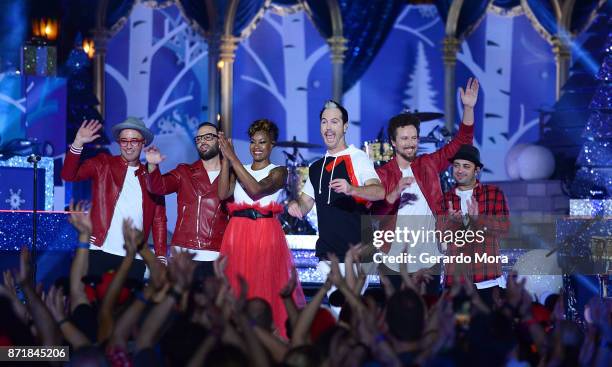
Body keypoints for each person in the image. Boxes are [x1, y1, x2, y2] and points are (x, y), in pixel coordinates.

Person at [371, 78, 480, 294]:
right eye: (404, 138)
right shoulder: (381, 174)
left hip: (429, 258)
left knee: (429, 319)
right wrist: (392, 196)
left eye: (414, 137)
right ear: (393, 142)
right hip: (394, 261)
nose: (410, 143)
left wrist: (468, 108)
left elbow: (462, 142)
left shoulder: (428, 164)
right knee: (398, 318)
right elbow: (374, 214)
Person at [287, 100, 385, 297]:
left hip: (355, 253)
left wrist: (352, 189)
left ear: (345, 126)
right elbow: (306, 203)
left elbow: (379, 192)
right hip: (327, 255)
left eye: (334, 122)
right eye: (324, 122)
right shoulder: (316, 167)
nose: (328, 127)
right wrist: (293, 205)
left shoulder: (358, 158)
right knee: (337, 315)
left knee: (351, 315)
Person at [217, 119, 305, 337]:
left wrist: (233, 157)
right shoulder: (240, 168)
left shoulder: (279, 171)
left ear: (272, 144)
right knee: (236, 290)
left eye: (262, 142)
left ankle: (268, 343)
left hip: (265, 233)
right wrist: (227, 160)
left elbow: (256, 190)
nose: (256, 146)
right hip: (237, 234)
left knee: (265, 291)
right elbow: (221, 194)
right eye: (253, 141)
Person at [61, 118, 167, 279]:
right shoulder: (104, 164)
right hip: (99, 250)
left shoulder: (152, 178)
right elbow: (68, 175)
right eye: (124, 141)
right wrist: (78, 143)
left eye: (134, 140)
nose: (129, 145)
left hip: (135, 256)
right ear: (118, 142)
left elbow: (159, 219)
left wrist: (160, 256)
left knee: (129, 304)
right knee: (97, 303)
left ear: (143, 142)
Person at [144, 122, 229, 278]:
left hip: (217, 253)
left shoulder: (232, 174)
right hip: (183, 252)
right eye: (198, 139)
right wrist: (152, 166)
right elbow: (158, 187)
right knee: (181, 302)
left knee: (213, 302)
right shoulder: (184, 171)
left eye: (208, 137)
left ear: (220, 139)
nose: (202, 141)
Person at [441, 144, 510, 305]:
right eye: (456, 165)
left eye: (466, 166)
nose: (459, 170)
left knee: (489, 328)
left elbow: (504, 228)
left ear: (476, 170)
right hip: (456, 283)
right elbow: (441, 240)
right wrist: (451, 224)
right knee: (458, 328)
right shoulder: (445, 199)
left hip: (487, 281)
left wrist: (478, 218)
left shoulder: (493, 193)